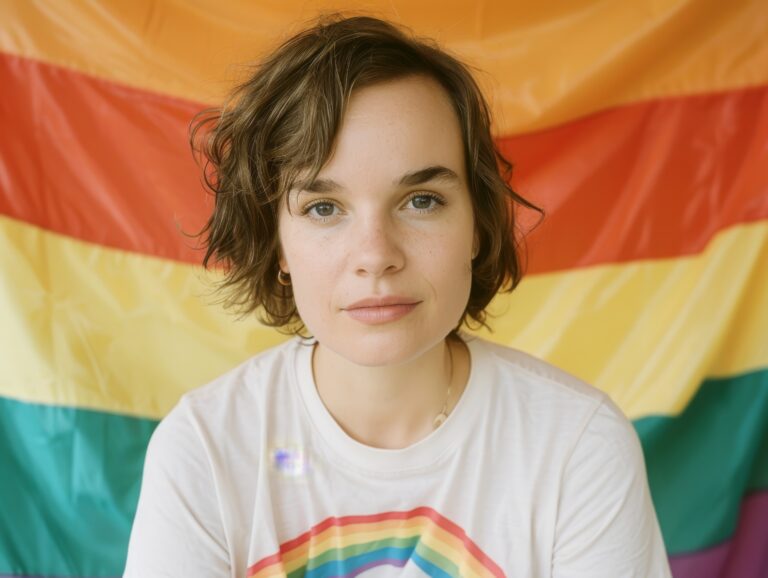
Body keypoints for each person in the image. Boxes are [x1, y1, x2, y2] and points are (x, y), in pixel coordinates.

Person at [123, 12, 672, 578]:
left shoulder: (577, 446)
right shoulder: (205, 451)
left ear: (479, 226)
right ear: (278, 246)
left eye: (421, 200)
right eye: (323, 208)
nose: (376, 254)